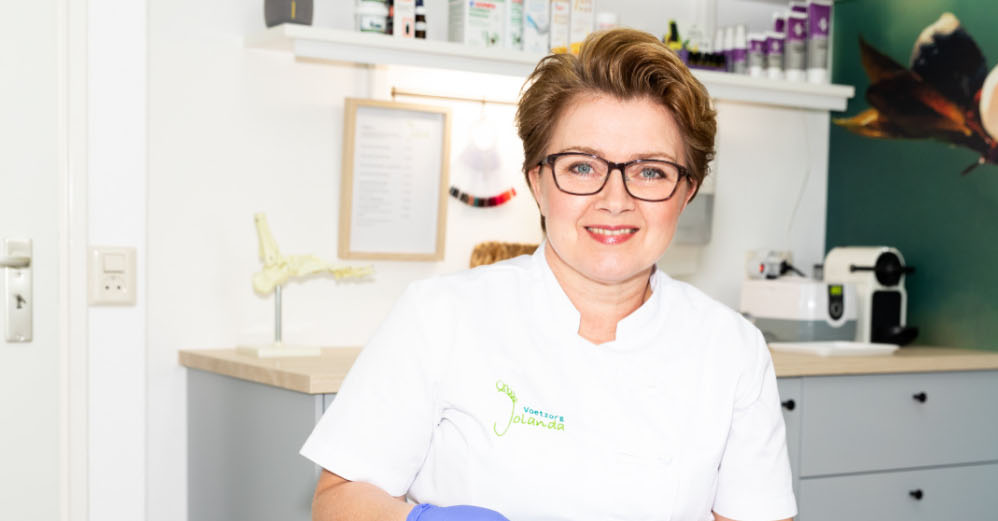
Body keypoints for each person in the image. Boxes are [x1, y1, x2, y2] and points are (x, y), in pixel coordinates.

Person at [301, 27, 796, 521]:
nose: (615, 200)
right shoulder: (439, 316)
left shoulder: (732, 350)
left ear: (686, 192)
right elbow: (338, 497)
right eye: (582, 167)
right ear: (537, 182)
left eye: (651, 171)